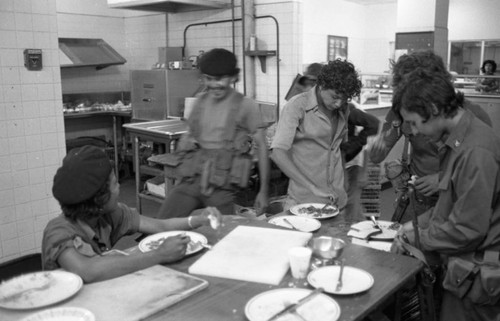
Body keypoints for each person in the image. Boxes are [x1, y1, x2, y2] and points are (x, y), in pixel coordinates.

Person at [391, 68, 500, 321]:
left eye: (416, 123)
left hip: (477, 273)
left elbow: (466, 229)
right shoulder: (460, 139)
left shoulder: (476, 152)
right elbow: (452, 202)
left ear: (433, 108)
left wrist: (418, 238)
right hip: (465, 268)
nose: (415, 132)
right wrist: (412, 226)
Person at [42, 145, 221, 283]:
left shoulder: (109, 215)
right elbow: (88, 270)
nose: (119, 187)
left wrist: (197, 219)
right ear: (98, 198)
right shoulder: (58, 231)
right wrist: (159, 254)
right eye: (114, 183)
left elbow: (161, 226)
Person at [369, 50, 492, 223]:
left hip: (456, 202)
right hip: (417, 199)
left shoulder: (473, 117)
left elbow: (483, 178)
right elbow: (377, 155)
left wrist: (442, 179)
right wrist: (375, 150)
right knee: (400, 245)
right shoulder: (402, 112)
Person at [157, 48, 269, 219]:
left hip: (222, 187)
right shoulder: (200, 102)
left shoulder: (246, 106)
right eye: (209, 79)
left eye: (220, 78)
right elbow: (189, 140)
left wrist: (263, 191)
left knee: (222, 236)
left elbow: (262, 148)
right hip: (192, 180)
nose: (214, 84)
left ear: (233, 76)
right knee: (162, 225)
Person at [270, 59, 362, 211]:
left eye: (344, 98)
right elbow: (277, 154)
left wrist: (344, 184)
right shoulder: (297, 106)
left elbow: (338, 149)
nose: (339, 103)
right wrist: (313, 187)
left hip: (337, 200)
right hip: (305, 202)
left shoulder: (342, 109)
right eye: (335, 96)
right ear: (322, 85)